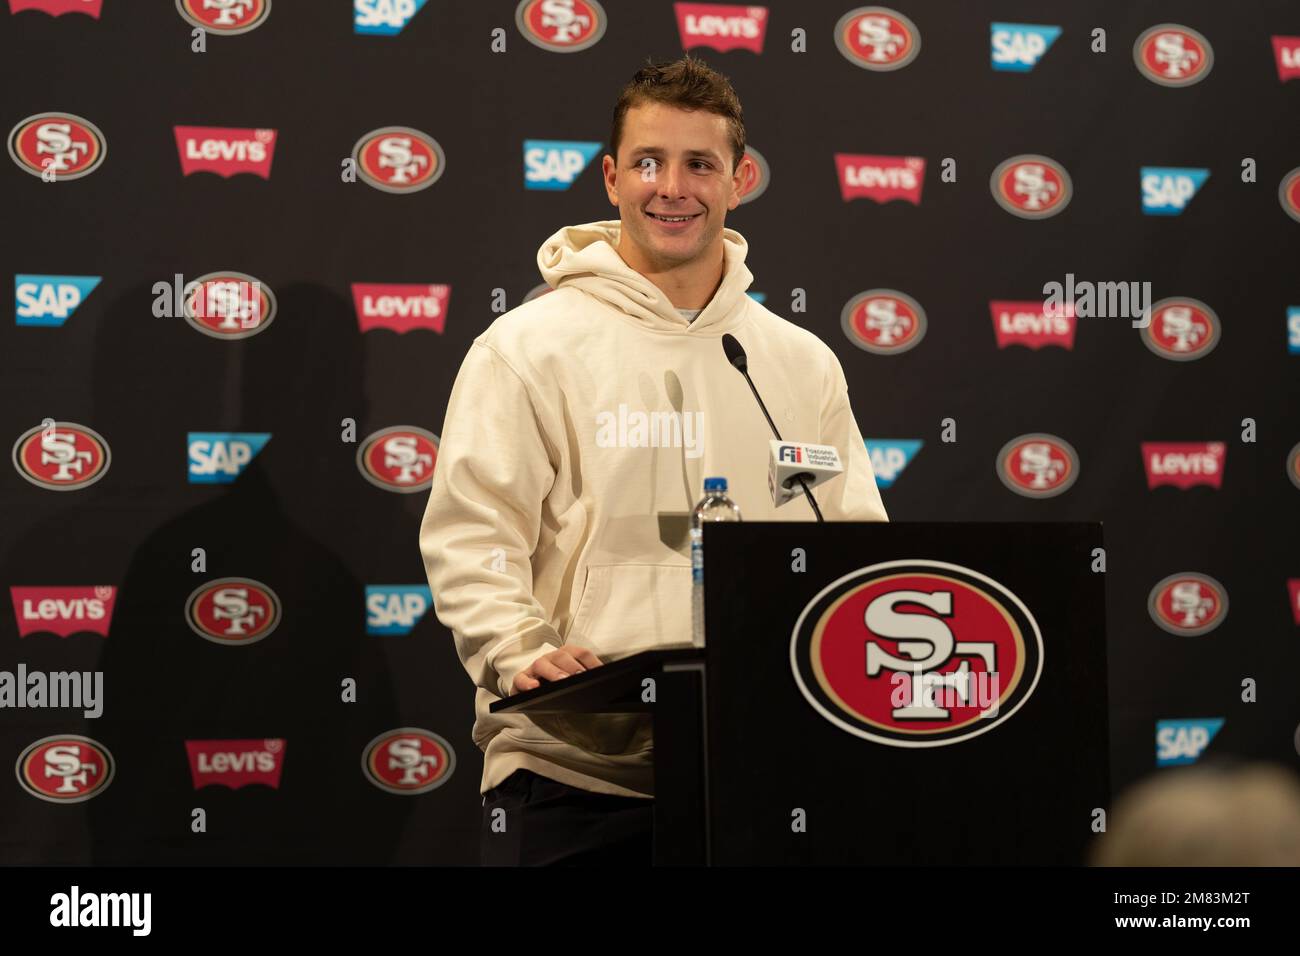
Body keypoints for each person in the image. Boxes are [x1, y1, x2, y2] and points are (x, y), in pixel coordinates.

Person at [419, 54, 888, 866]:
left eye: (699, 164)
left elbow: (855, 549)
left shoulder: (796, 361)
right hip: (574, 773)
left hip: (762, 768)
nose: (672, 187)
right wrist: (521, 648)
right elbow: (473, 534)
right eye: (648, 162)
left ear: (739, 179)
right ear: (610, 178)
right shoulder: (527, 346)